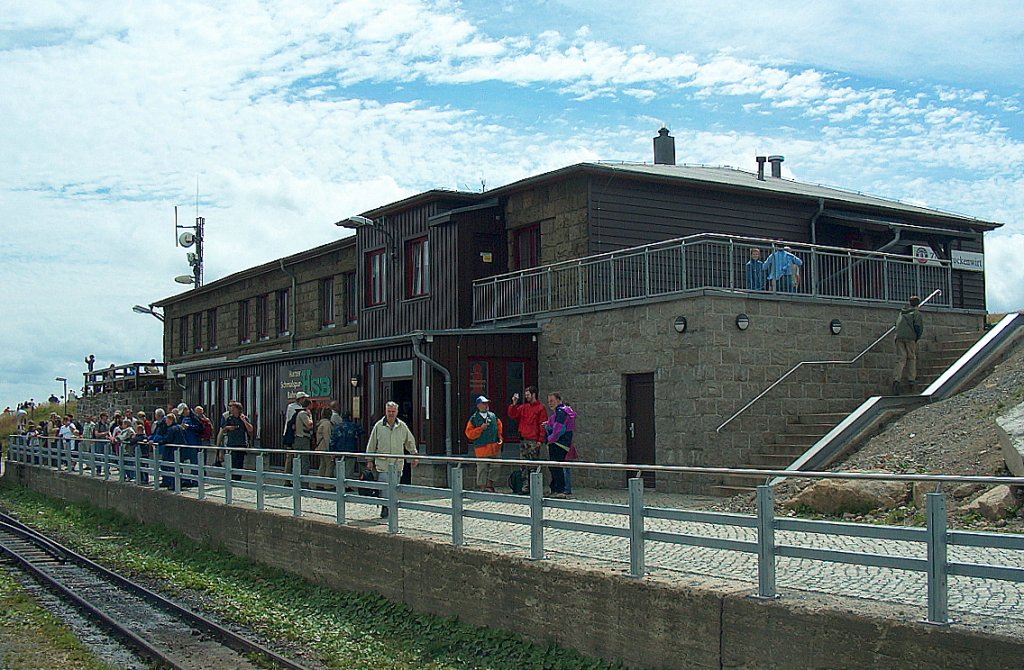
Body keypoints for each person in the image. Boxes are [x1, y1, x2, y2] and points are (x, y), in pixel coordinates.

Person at [365, 401, 418, 518]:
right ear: (385, 411)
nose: (391, 414)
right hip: (382, 464)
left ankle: (391, 507)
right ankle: (385, 507)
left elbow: (409, 441)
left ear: (397, 412)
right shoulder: (378, 426)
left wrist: (414, 455)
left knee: (394, 487)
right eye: (389, 411)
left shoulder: (402, 426)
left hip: (397, 464)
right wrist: (369, 459)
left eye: (393, 411)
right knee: (384, 487)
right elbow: (372, 444)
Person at [506, 386, 548, 494]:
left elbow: (542, 424)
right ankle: (525, 486)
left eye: (528, 394)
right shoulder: (524, 407)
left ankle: (534, 486)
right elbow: (513, 414)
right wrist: (514, 403)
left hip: (533, 440)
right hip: (524, 439)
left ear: (533, 394)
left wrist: (540, 440)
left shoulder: (540, 408)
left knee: (533, 465)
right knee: (523, 465)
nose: (526, 397)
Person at [465, 396, 503, 492]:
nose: (486, 405)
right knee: (482, 468)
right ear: (478, 405)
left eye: (487, 403)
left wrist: (500, 438)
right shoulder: (474, 418)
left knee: (496, 466)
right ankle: (482, 487)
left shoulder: (493, 416)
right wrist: (480, 429)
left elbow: (499, 426)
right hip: (481, 448)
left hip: (494, 447)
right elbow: (469, 434)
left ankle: (490, 485)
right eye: (484, 403)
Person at [544, 392, 576, 499]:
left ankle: (560, 490)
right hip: (564, 442)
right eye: (548, 402)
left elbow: (558, 429)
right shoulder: (564, 411)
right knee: (554, 466)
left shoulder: (561, 412)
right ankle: (555, 489)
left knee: (555, 466)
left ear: (558, 400)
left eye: (552, 401)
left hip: (558, 443)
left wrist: (549, 439)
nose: (550, 403)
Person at [893, 295, 925, 395]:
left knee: (901, 358)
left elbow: (897, 324)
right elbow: (918, 326)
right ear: (918, 304)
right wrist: (917, 337)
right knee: (911, 358)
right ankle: (911, 378)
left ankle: (896, 379)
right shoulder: (916, 313)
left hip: (899, 337)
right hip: (910, 337)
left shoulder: (902, 312)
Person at [329, 411, 366, 487]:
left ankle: (338, 485)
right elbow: (362, 431)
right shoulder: (353, 426)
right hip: (350, 450)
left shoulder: (337, 427)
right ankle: (347, 486)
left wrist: (332, 451)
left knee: (339, 469)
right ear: (350, 417)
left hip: (339, 451)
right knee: (349, 470)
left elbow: (332, 440)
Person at [221, 401, 253, 480]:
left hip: (241, 443)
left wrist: (244, 421)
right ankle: (233, 478)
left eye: (234, 408)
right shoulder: (229, 418)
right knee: (233, 462)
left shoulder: (243, 418)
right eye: (231, 407)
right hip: (232, 443)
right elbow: (223, 430)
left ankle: (238, 478)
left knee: (240, 462)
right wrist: (228, 428)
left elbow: (250, 429)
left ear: (238, 409)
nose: (231, 409)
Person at [284, 395, 313, 475]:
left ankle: (291, 480)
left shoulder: (296, 410)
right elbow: (309, 425)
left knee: (295, 459)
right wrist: (310, 416)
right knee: (302, 460)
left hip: (293, 437)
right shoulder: (302, 412)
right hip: (300, 438)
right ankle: (301, 483)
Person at [314, 406, 335, 486]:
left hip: (320, 447)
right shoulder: (327, 424)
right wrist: (330, 450)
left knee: (322, 465)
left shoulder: (321, 423)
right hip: (325, 448)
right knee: (329, 465)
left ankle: (319, 483)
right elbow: (327, 437)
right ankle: (327, 485)